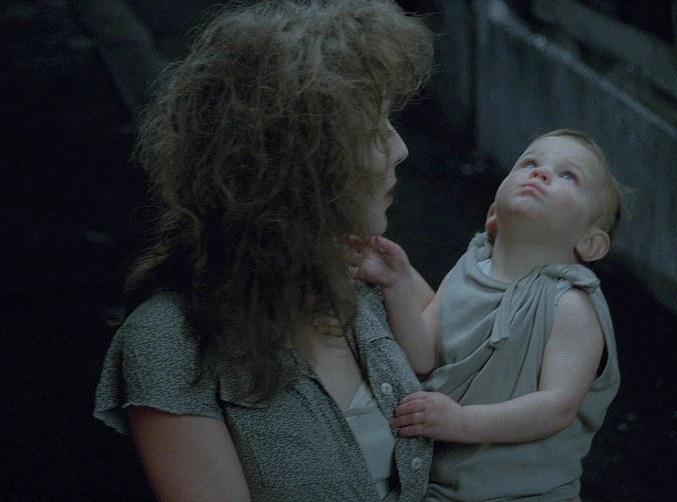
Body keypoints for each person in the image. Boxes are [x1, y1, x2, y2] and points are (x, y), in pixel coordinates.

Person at [93, 1, 436, 500]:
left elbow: (493, 377)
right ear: (297, 168)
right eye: (374, 130)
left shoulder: (376, 273)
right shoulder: (169, 343)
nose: (400, 149)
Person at [356, 129, 626, 501]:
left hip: (532, 495)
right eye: (529, 163)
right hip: (443, 490)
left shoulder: (571, 305)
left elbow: (557, 407)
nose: (541, 173)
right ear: (493, 214)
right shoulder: (468, 270)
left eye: (569, 176)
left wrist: (461, 422)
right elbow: (424, 354)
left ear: (590, 243)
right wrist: (397, 285)